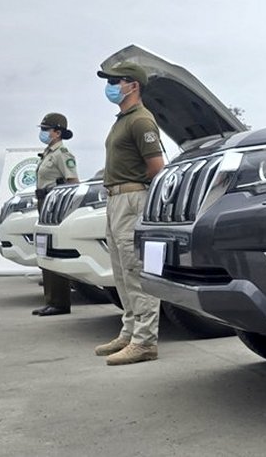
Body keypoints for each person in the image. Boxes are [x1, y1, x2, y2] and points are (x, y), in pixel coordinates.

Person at [92, 61, 165, 366]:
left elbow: (157, 168)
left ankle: (145, 341)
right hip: (115, 200)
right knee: (121, 271)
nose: (110, 86)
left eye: (115, 81)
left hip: (132, 198)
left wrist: (138, 198)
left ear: (133, 85)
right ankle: (130, 331)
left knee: (135, 271)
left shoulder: (141, 121)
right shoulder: (122, 119)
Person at [32, 112, 79, 317]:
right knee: (44, 249)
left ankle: (60, 301)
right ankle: (51, 299)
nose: (43, 133)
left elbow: (72, 182)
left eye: (46, 129)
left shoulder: (62, 153)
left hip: (54, 205)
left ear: (57, 132)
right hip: (44, 202)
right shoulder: (48, 152)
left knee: (54, 249)